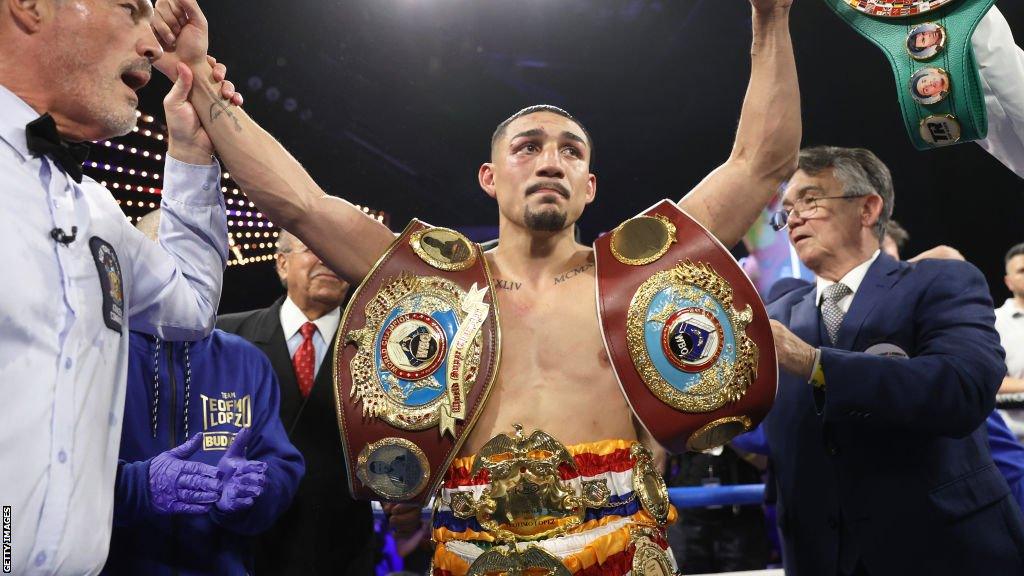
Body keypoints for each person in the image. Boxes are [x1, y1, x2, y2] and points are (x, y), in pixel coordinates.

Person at [153, 0, 801, 571]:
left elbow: (760, 163)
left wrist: (770, 18)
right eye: (529, 146)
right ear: (490, 176)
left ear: (590, 186)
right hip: (471, 554)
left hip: (622, 554)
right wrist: (199, 80)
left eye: (571, 151)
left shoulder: (635, 278)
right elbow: (302, 205)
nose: (551, 159)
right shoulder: (432, 281)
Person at [0, 0, 242, 572]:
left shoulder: (96, 212)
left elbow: (193, 306)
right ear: (30, 7)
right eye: (132, 9)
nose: (154, 44)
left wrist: (188, 153)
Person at [766, 145, 1024, 575]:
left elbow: (964, 389)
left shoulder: (940, 281)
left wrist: (815, 362)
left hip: (942, 549)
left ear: (867, 208)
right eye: (787, 208)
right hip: (820, 555)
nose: (793, 217)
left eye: (810, 201)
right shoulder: (774, 313)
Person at [102, 210, 304, 576]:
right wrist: (139, 487)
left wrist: (252, 489)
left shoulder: (247, 361)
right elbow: (46, 468)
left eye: (202, 261)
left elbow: (281, 466)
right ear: (134, 264)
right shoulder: (99, 351)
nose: (184, 277)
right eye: (165, 260)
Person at [218, 230, 375, 575]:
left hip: (343, 549)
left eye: (337, 249)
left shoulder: (380, 350)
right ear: (282, 263)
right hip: (246, 547)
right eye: (315, 247)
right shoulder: (226, 339)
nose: (329, 259)